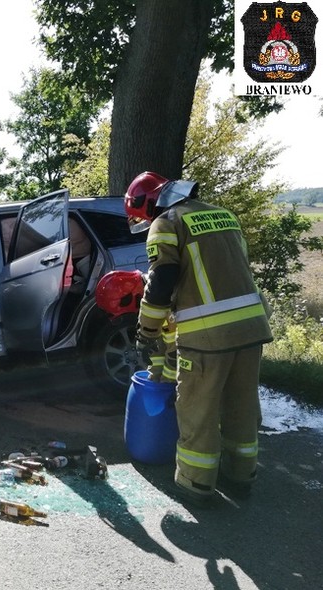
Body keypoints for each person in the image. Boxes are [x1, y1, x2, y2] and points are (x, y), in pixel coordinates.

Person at [124, 171, 273, 507]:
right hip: (251, 327)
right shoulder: (224, 216)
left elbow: (162, 280)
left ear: (147, 203)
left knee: (197, 410)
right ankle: (240, 476)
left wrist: (146, 331)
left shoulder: (167, 222)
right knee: (241, 406)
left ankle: (195, 483)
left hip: (208, 334)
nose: (147, 221)